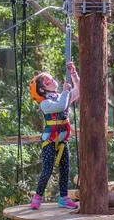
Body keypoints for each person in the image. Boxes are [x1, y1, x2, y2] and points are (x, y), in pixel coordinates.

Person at [29, 62, 80, 210]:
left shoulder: (62, 96)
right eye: (48, 81)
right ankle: (38, 196)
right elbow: (60, 106)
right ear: (42, 89)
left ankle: (63, 197)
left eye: (51, 78)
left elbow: (79, 89)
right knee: (47, 169)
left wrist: (74, 74)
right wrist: (65, 91)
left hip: (63, 140)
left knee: (65, 169)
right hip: (50, 141)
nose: (52, 80)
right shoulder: (45, 103)